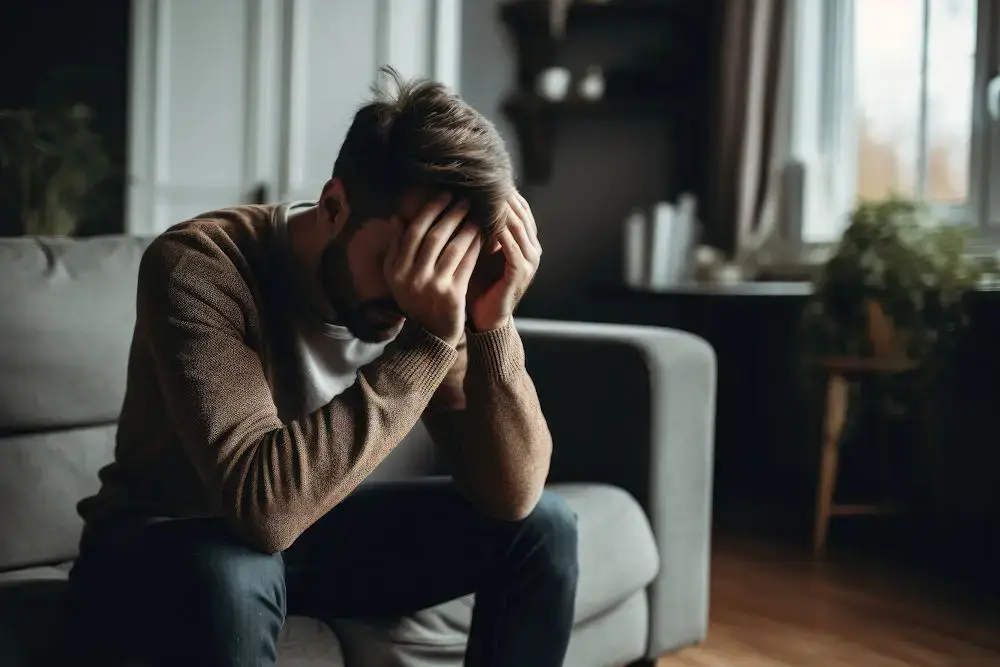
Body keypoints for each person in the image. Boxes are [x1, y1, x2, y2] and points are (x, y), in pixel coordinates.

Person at [67, 68, 578, 667]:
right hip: (155, 543)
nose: (414, 286)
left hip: (299, 540)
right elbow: (263, 511)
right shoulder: (200, 264)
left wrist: (492, 323)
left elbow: (512, 495)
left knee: (544, 525)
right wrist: (429, 344)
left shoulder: (436, 295)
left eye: (442, 265)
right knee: (230, 571)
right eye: (396, 257)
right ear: (335, 205)